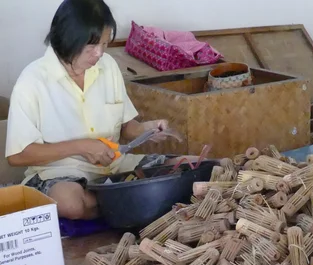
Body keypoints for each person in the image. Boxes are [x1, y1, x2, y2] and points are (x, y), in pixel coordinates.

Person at [5, 0, 185, 220]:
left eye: (105, 44)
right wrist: (81, 147)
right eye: (91, 46)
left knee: (190, 167)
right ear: (66, 38)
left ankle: (127, 197)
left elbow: (127, 127)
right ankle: (140, 197)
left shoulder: (107, 66)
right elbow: (17, 155)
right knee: (70, 203)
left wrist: (146, 129)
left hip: (117, 167)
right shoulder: (32, 81)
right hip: (61, 175)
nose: (99, 53)